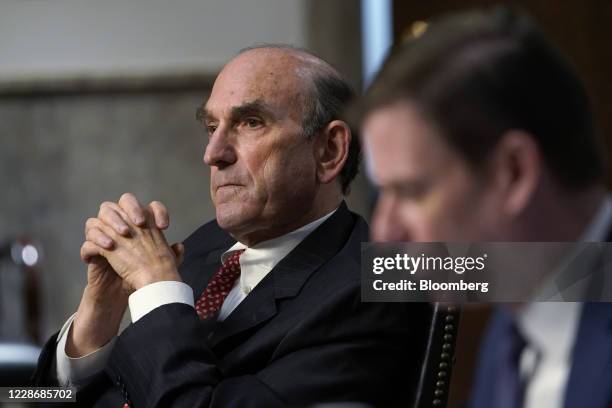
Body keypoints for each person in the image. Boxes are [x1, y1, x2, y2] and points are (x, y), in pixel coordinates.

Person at [33, 45, 429, 407]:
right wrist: (94, 325)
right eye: (211, 127)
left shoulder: (381, 282)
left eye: (250, 122)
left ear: (329, 151)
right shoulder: (208, 246)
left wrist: (157, 293)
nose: (213, 153)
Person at [354, 7, 612, 408]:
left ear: (513, 172)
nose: (384, 232)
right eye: (382, 193)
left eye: (411, 191)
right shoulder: (511, 328)